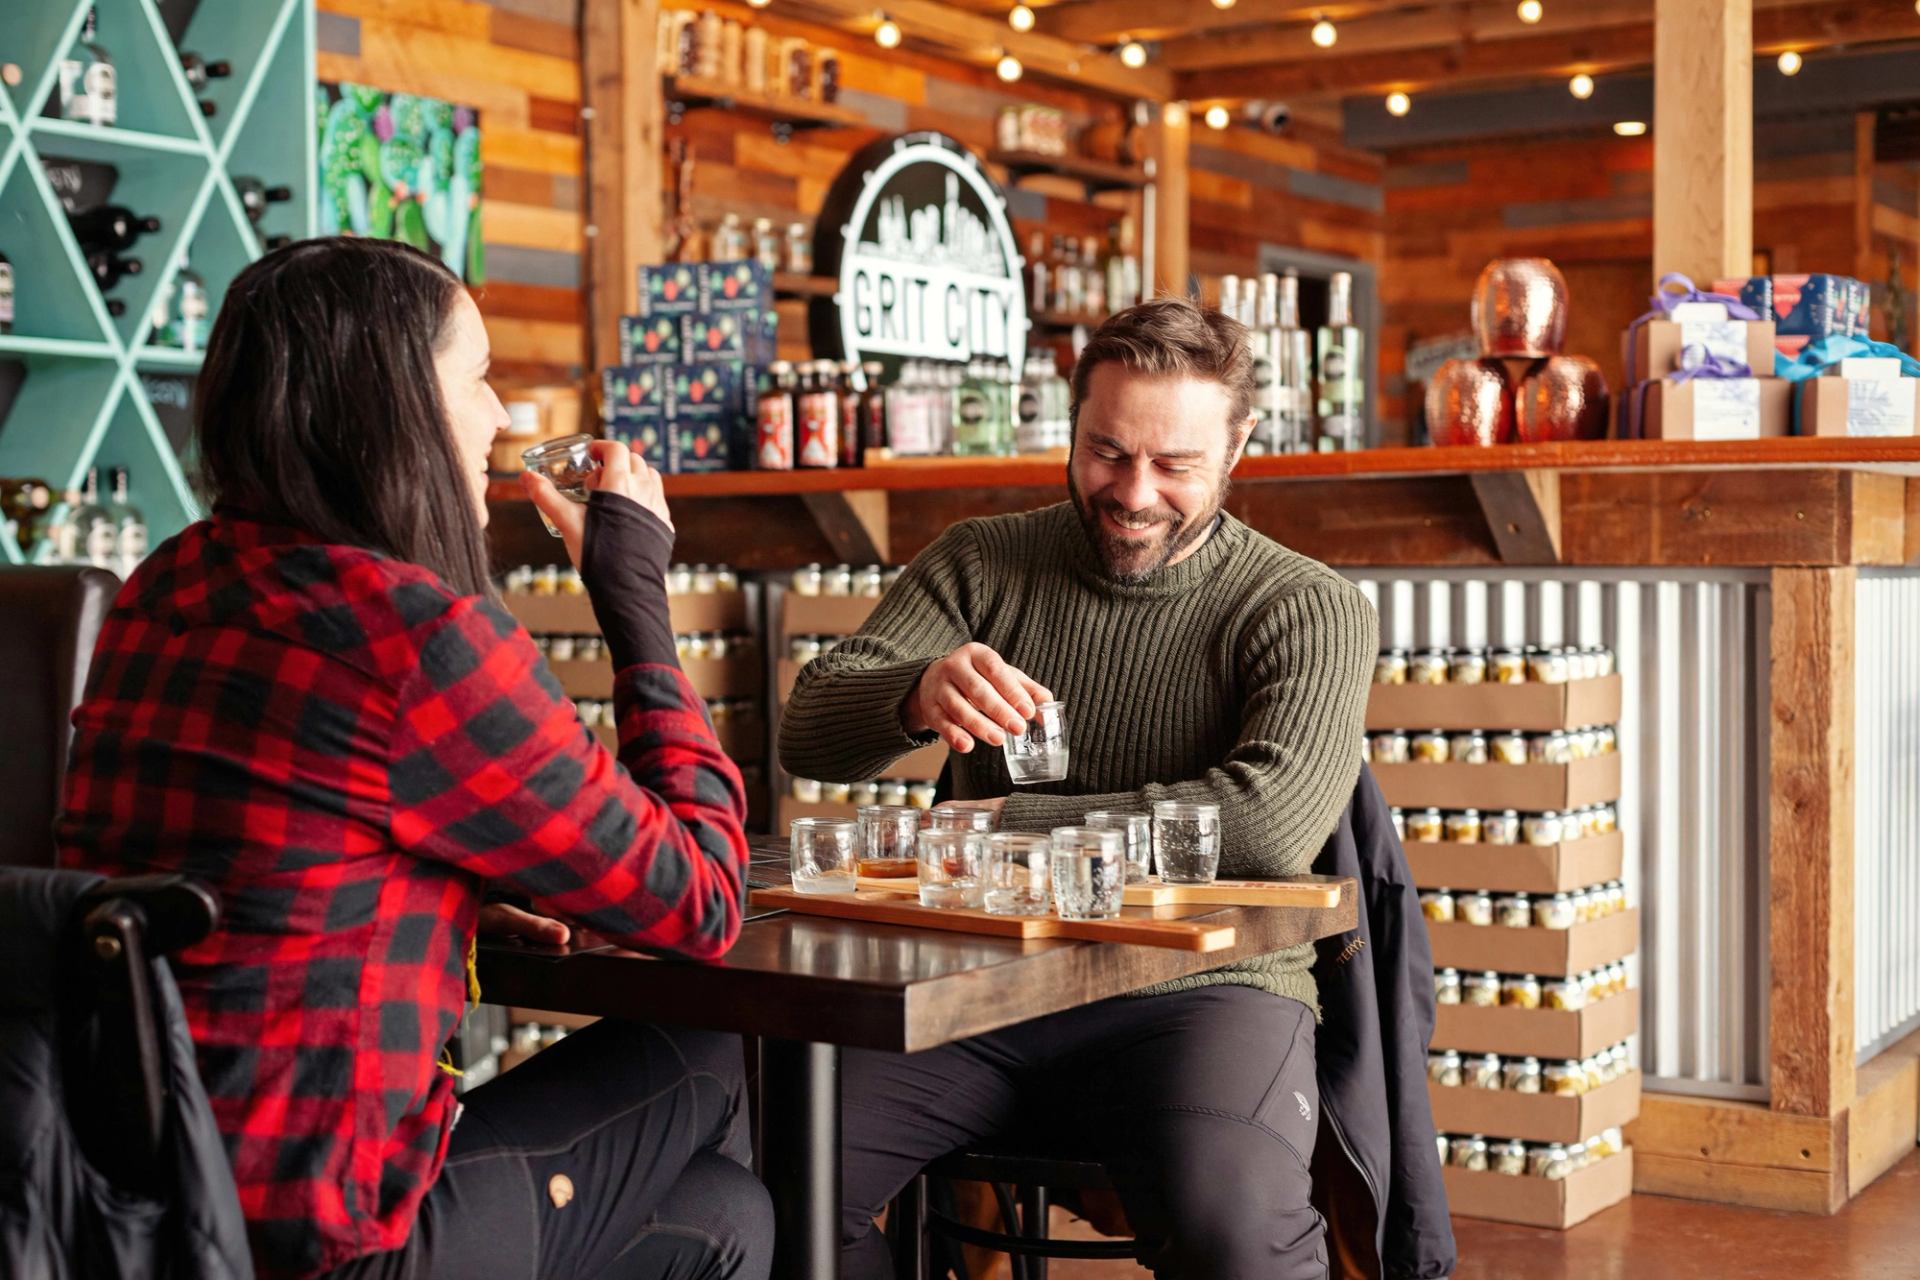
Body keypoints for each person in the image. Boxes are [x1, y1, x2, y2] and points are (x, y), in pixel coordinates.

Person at [56, 238, 772, 1280]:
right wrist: (636, 603)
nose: (500, 421)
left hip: (139, 1209)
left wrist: (445, 893)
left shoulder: (161, 587)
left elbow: (238, 862)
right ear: (390, 403)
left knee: (725, 1217)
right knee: (712, 1048)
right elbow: (703, 899)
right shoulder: (418, 639)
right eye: (476, 378)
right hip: (333, 1236)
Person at [780, 297, 1377, 1279]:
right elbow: (811, 727)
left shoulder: (1304, 603)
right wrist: (916, 692)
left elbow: (1265, 823)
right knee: (775, 1178)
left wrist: (1000, 825)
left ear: (1238, 445)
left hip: (1202, 988)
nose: (1134, 491)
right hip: (973, 986)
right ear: (1071, 427)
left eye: (1175, 463)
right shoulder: (982, 563)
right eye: (1106, 450)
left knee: (1233, 1227)